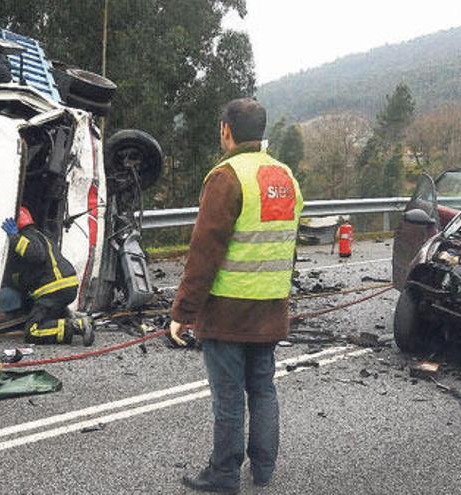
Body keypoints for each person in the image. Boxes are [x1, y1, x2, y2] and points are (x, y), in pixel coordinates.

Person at [170, 98, 303, 493]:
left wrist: (183, 311)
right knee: (263, 388)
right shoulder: (285, 177)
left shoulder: (226, 177)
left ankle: (224, 474)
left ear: (226, 129)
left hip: (228, 311)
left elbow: (204, 251)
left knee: (228, 396)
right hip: (270, 308)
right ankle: (263, 468)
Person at [1, 206, 94, 346]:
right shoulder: (38, 235)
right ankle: (71, 318)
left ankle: (76, 326)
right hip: (64, 286)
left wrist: (14, 238)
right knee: (46, 313)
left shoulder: (27, 236)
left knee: (33, 331)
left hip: (54, 290)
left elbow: (36, 255)